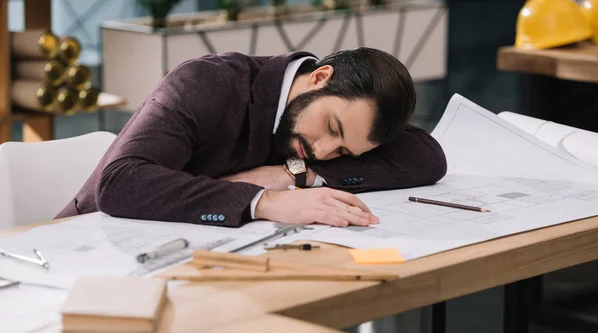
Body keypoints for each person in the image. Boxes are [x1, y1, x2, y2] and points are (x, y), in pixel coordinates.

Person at [56, 48, 447, 228]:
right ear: (320, 77)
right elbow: (121, 183)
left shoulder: (329, 128)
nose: (325, 151)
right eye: (332, 128)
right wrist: (265, 201)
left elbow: (427, 158)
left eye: (343, 150)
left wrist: (294, 174)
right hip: (88, 253)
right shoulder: (208, 83)